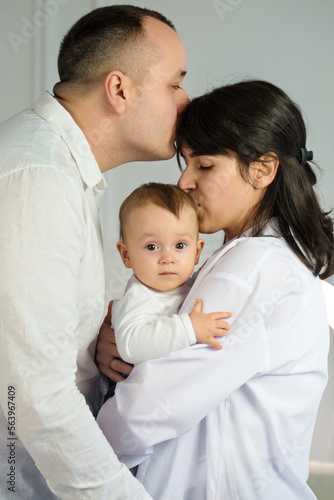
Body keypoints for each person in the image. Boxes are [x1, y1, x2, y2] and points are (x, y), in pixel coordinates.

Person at [96, 80, 334, 500]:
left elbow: (148, 409)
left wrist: (85, 447)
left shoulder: (252, 268)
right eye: (184, 163)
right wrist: (120, 343)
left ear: (263, 169)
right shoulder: (253, 259)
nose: (185, 181)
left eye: (204, 165)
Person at [0, 5, 189, 500]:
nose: (186, 100)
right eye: (175, 84)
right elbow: (32, 392)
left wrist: (100, 336)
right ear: (119, 89)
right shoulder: (39, 177)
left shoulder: (57, 168)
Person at [111, 182, 231, 366]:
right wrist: (189, 328)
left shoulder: (194, 283)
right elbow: (131, 347)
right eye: (152, 247)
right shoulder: (138, 298)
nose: (168, 258)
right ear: (126, 255)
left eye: (180, 246)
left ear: (197, 252)